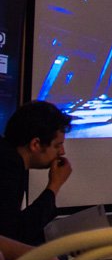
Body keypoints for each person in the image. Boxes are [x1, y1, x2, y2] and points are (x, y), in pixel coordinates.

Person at [0, 101, 73, 246]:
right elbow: (14, 234)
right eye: (57, 145)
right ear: (35, 144)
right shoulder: (8, 168)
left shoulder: (9, 158)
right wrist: (54, 185)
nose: (62, 152)